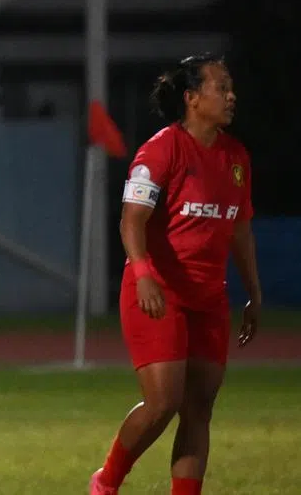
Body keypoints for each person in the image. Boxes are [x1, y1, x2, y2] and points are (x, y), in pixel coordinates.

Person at [90, 55, 261, 495]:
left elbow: (240, 232)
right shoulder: (162, 149)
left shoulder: (236, 157)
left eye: (230, 87)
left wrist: (254, 294)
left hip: (209, 298)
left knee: (199, 407)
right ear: (191, 98)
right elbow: (132, 220)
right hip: (158, 291)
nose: (230, 95)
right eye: (220, 87)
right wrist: (143, 273)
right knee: (164, 400)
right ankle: (106, 482)